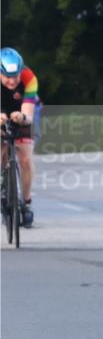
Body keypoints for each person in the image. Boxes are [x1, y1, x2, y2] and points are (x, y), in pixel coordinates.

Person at [0, 47, 38, 227]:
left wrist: (22, 117)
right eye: (7, 76)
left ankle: (26, 202)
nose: (12, 81)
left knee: (25, 158)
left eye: (15, 76)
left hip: (19, 112)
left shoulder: (29, 78)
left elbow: (29, 114)